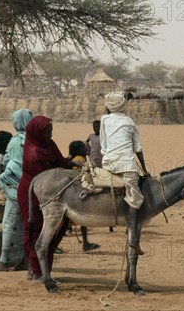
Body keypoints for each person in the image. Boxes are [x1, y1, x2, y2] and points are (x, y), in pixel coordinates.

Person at [17, 116, 83, 282]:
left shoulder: (47, 144)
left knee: (54, 228)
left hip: (50, 189)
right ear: (38, 133)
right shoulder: (33, 154)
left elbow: (59, 162)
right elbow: (48, 175)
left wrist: (72, 163)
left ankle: (38, 270)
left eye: (51, 131)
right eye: (47, 132)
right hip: (35, 192)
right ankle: (37, 271)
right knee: (35, 229)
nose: (50, 135)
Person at [0, 109, 33, 272]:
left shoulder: (16, 141)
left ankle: (4, 262)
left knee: (9, 225)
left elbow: (12, 168)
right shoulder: (34, 140)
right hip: (31, 188)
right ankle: (25, 260)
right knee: (25, 225)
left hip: (15, 190)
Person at [100, 91, 150, 255]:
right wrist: (144, 169)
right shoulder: (130, 121)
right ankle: (133, 239)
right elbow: (138, 148)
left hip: (108, 163)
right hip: (127, 165)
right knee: (135, 198)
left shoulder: (104, 119)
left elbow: (104, 145)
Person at [68, 140, 100, 252]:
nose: (86, 150)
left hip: (73, 192)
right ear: (78, 150)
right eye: (83, 148)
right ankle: (85, 243)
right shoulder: (79, 160)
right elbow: (79, 176)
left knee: (81, 221)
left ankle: (85, 242)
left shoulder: (73, 160)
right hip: (77, 193)